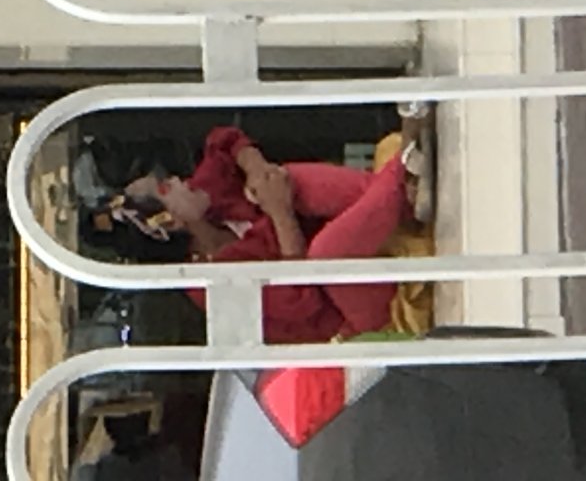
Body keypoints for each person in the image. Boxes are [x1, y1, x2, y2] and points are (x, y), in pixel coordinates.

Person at [95, 117, 430, 344]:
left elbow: (224, 140)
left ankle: (404, 194)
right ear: (169, 223)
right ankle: (403, 172)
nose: (175, 179)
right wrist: (280, 212)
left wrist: (256, 168)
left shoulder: (205, 194)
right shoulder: (211, 287)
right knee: (325, 256)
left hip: (361, 229)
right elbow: (303, 300)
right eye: (165, 188)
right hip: (354, 306)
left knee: (286, 179)